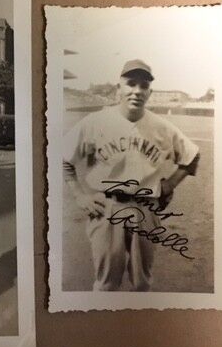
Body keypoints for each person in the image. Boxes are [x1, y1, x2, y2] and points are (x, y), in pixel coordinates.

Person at [63, 59, 200, 291]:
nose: (137, 91)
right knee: (106, 284)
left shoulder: (161, 127)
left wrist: (171, 185)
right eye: (130, 84)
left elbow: (192, 156)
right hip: (107, 207)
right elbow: (62, 157)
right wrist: (79, 195)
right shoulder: (96, 122)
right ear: (119, 89)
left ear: (150, 92)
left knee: (141, 283)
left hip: (146, 209)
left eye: (143, 86)